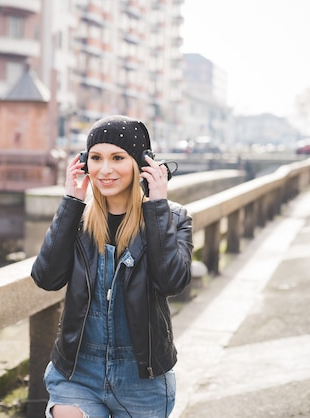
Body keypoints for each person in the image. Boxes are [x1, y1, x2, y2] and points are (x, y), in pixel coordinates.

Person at [31, 115, 194, 417]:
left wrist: (156, 206)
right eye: (96, 158)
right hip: (77, 372)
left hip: (142, 378)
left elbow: (172, 282)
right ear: (84, 162)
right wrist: (70, 202)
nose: (104, 169)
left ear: (141, 164)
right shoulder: (77, 221)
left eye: (117, 157)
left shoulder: (172, 218)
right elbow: (46, 277)